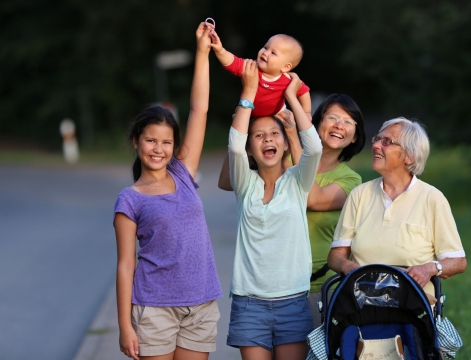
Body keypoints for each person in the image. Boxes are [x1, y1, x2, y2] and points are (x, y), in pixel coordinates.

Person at [113, 22, 222, 360]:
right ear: (136, 142)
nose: (158, 149)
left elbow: (199, 109)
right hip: (154, 309)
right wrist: (125, 326)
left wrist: (203, 53)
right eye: (150, 140)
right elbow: (125, 265)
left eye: (166, 142)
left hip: (201, 304)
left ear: (174, 146)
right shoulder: (129, 199)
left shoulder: (182, 172)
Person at [218, 94, 366, 328]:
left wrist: (293, 134)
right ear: (315, 123)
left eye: (348, 122)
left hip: (321, 287)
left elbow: (313, 198)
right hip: (272, 286)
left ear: (355, 136)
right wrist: (241, 130)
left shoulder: (351, 179)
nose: (339, 125)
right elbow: (228, 182)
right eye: (333, 117)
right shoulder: (280, 154)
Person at [226, 60, 322, 360]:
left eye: (274, 134)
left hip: (292, 301)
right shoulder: (244, 183)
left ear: (283, 143)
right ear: (251, 149)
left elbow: (314, 149)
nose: (267, 138)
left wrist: (292, 98)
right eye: (258, 135)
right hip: (248, 303)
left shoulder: (298, 181)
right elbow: (233, 145)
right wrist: (250, 91)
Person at [328, 117, 467, 297]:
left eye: (386, 142)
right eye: (377, 139)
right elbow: (335, 255)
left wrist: (430, 268)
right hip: (361, 307)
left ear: (410, 156)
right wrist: (348, 267)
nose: (376, 145)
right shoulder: (359, 194)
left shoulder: (432, 198)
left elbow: (458, 261)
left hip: (413, 309)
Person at [209, 30, 311, 118]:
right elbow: (232, 62)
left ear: (285, 67)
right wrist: (220, 50)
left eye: (273, 53)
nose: (265, 53)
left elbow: (303, 91)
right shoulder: (252, 67)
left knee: (284, 122)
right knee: (241, 123)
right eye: (266, 47)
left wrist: (306, 112)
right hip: (248, 112)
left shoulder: (288, 80)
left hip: (276, 114)